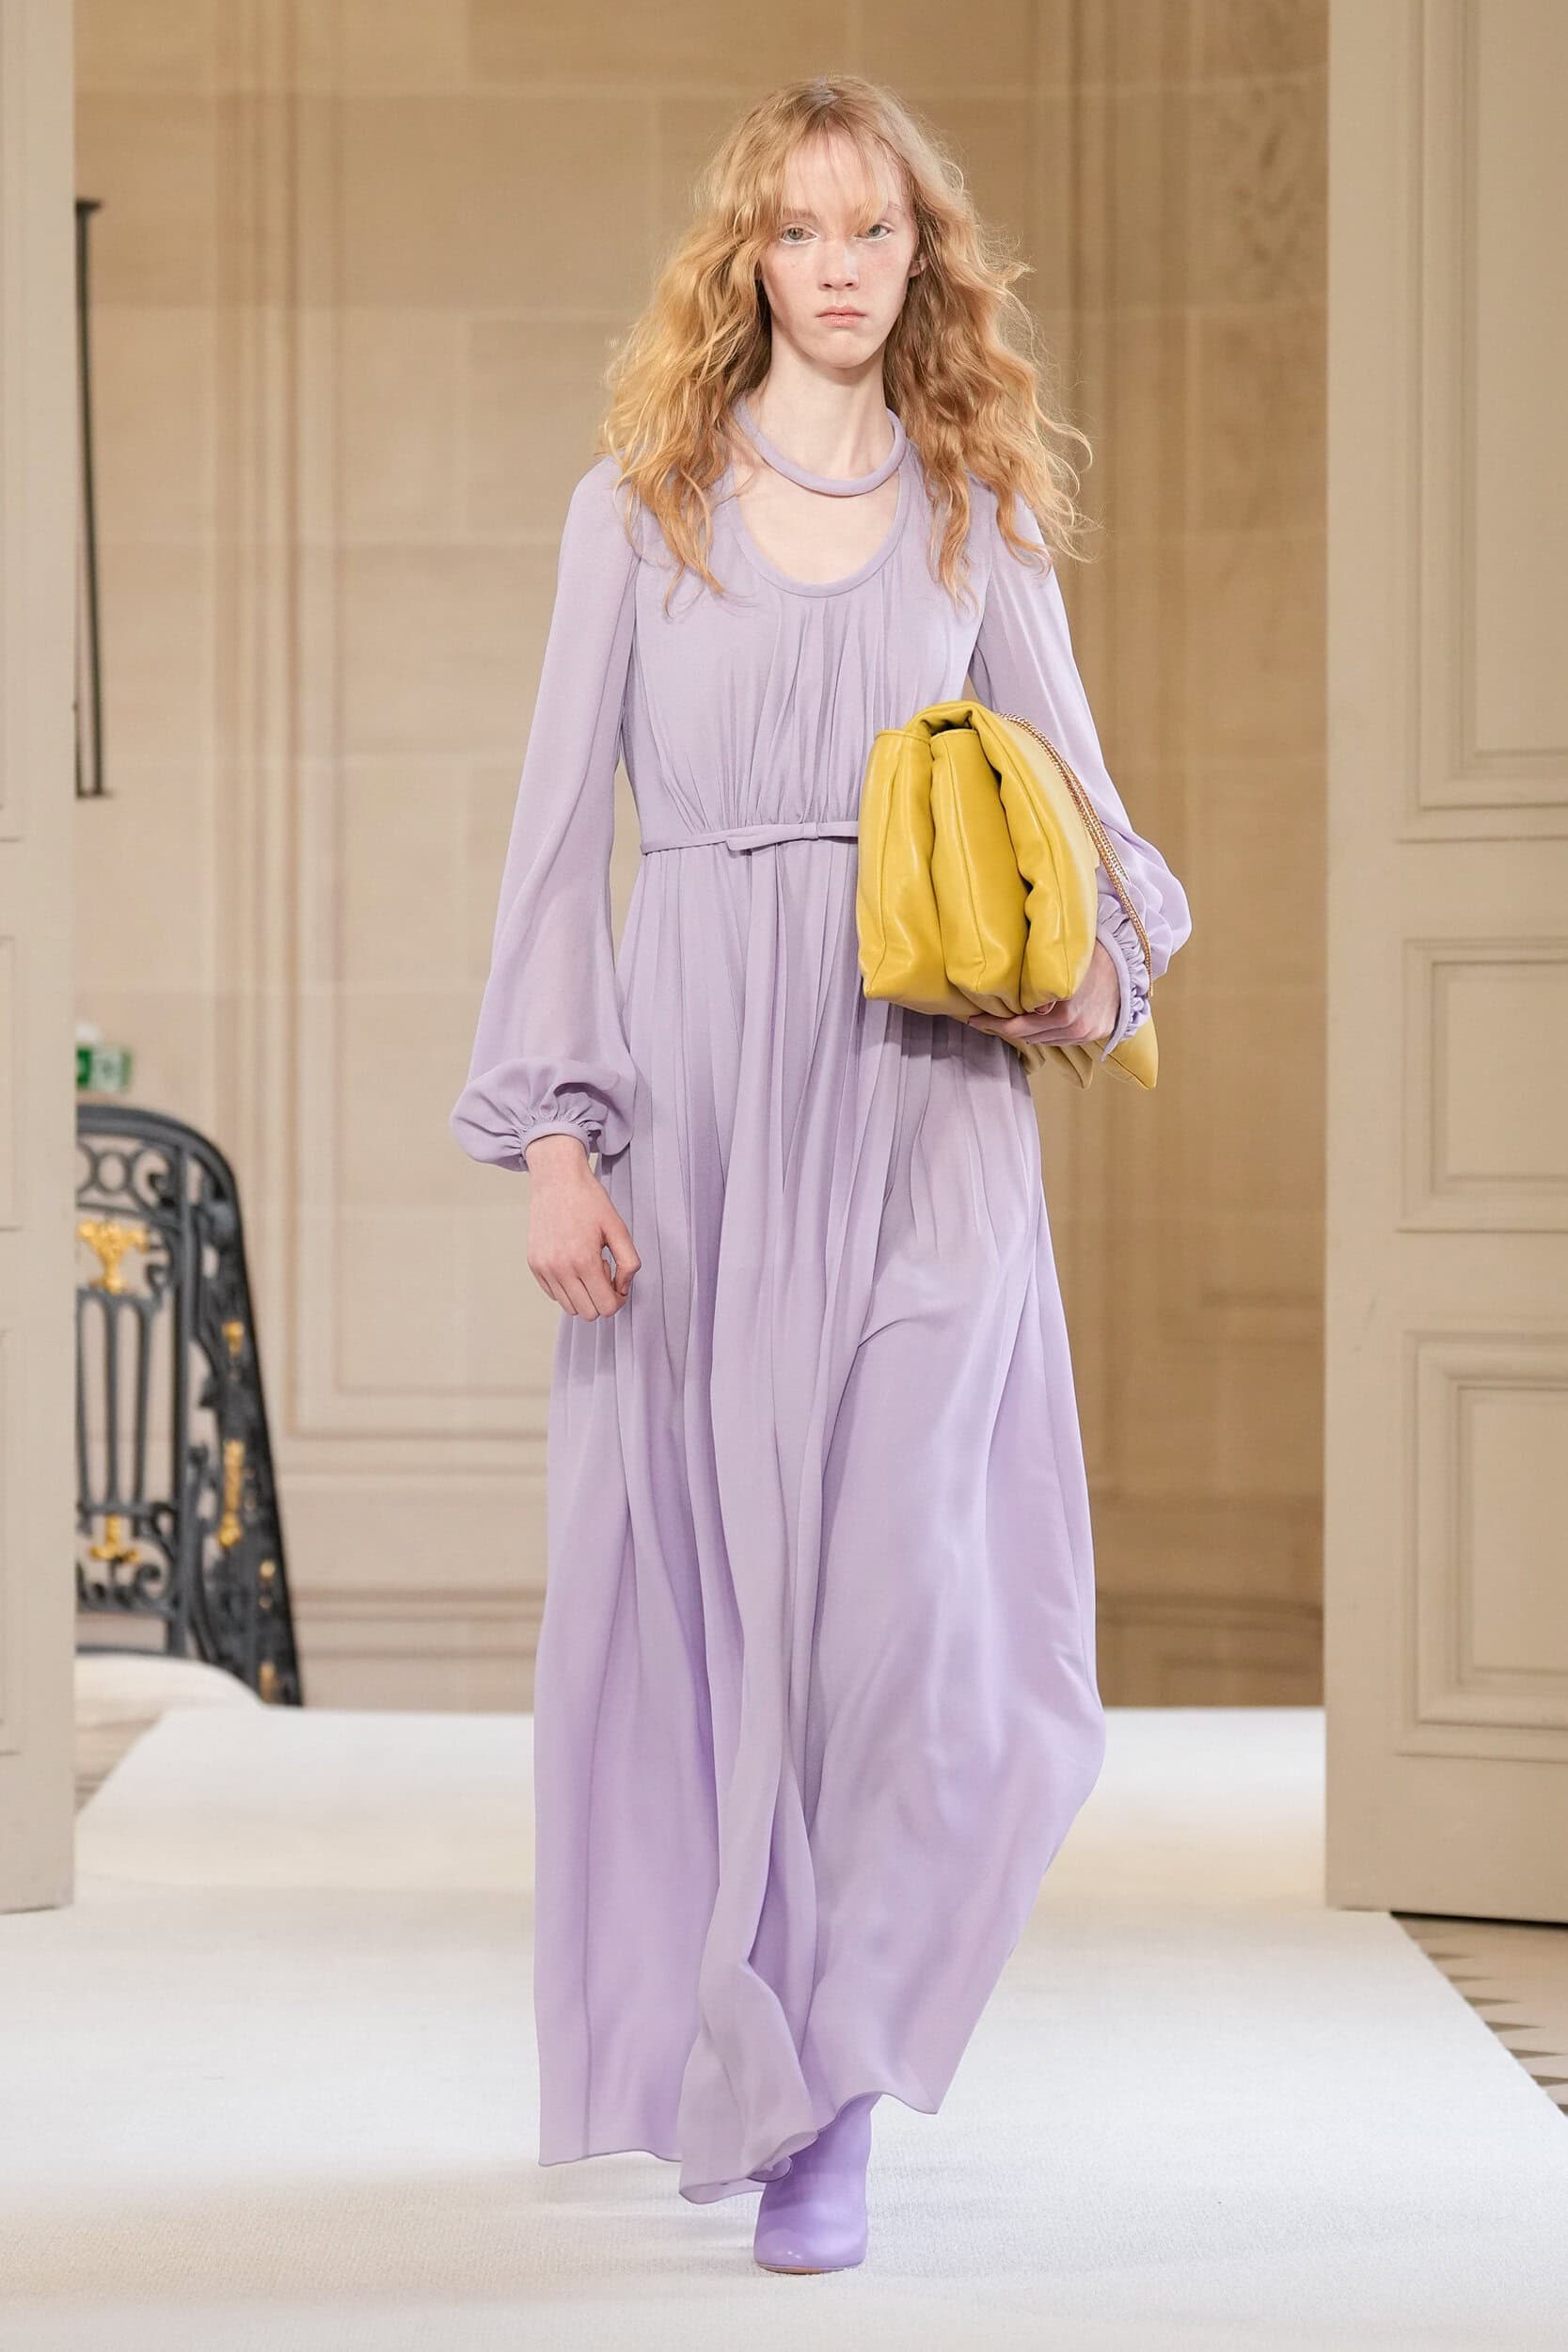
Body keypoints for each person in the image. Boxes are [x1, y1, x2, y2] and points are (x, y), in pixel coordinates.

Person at [451, 73, 1192, 2276]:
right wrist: (557, 1137)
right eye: (801, 227)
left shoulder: (976, 511)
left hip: (926, 1099)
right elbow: (556, 849)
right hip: (698, 1100)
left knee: (911, 1624)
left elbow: (1080, 809)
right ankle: (763, 2065)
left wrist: (1092, 976)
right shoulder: (635, 511)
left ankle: (845, 2082)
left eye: (877, 228)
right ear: (749, 257)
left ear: (921, 256)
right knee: (727, 1616)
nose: (841, 264)